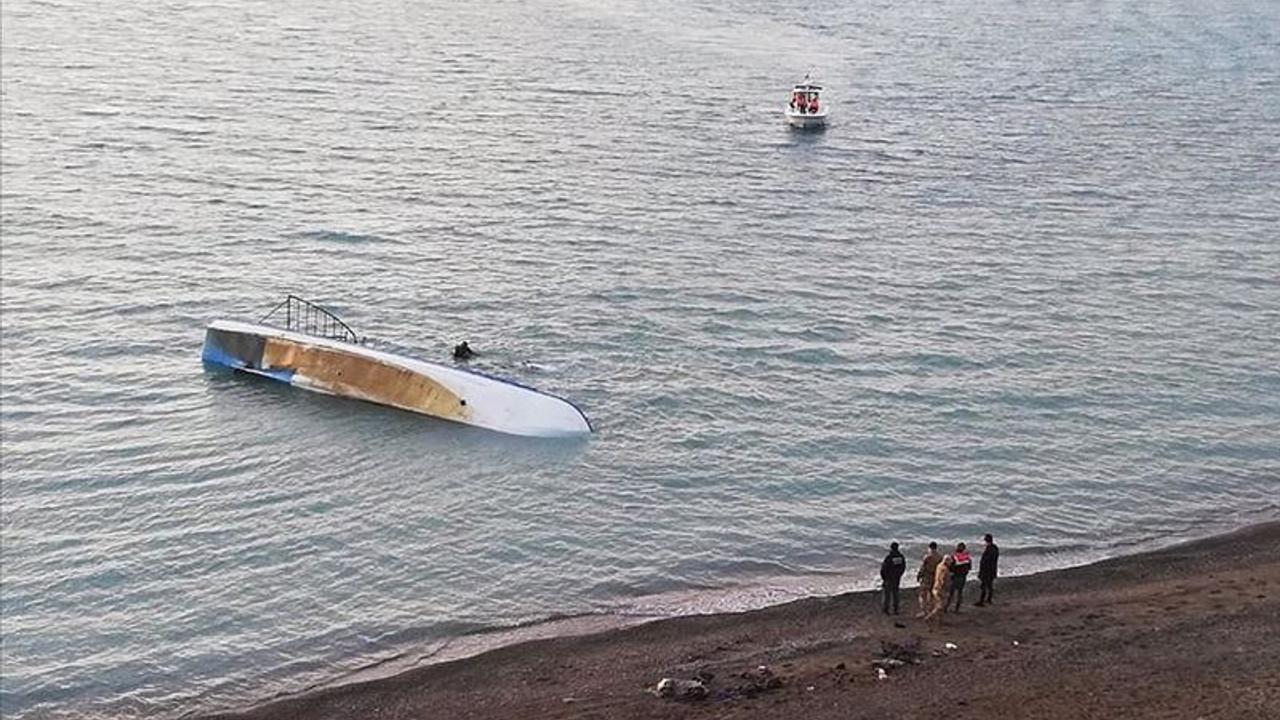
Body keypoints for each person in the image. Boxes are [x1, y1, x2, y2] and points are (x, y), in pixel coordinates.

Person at [923, 552, 952, 624]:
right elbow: (943, 580)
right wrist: (947, 587)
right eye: (950, 562)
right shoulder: (945, 570)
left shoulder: (939, 566)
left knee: (937, 605)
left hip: (935, 586)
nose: (950, 563)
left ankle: (939, 620)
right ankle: (929, 617)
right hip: (940, 589)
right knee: (940, 606)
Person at [879, 542, 907, 615]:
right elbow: (903, 567)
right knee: (895, 594)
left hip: (889, 578)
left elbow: (884, 568)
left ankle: (886, 610)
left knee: (887, 595)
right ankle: (896, 609)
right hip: (897, 578)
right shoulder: (901, 557)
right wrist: (899, 575)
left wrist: (884, 577)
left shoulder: (889, 557)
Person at [915, 542, 942, 617]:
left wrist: (919, 575)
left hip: (927, 577)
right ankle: (930, 610)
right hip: (935, 577)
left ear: (930, 548)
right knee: (931, 594)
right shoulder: (940, 557)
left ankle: (924, 611)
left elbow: (923, 568)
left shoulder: (927, 557)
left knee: (922, 594)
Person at [946, 542, 972, 612]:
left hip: (955, 577)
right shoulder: (967, 558)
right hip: (963, 577)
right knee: (959, 593)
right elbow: (969, 568)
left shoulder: (954, 556)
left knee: (951, 593)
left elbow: (950, 568)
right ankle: (957, 608)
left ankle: (946, 607)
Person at [975, 533, 1000, 606]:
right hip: (992, 570)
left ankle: (981, 601)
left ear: (986, 540)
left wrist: (981, 571)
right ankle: (989, 599)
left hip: (986, 571)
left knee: (983, 586)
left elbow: (985, 562)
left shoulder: (988, 549)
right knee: (990, 585)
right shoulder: (995, 548)